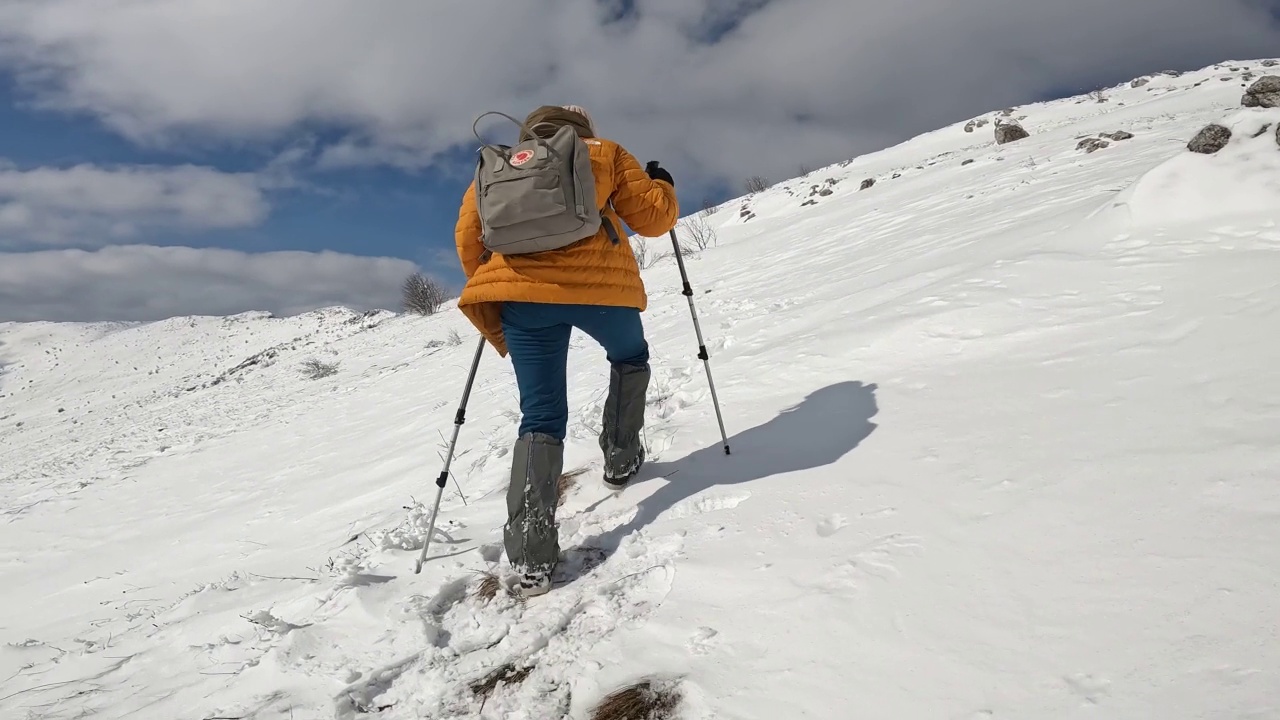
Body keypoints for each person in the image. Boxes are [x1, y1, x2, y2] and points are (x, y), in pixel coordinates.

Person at [453, 104, 679, 596]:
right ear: (584, 129)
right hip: (601, 294)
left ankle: (533, 558)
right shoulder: (606, 153)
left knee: (539, 415)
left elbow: (469, 238)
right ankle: (621, 458)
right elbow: (654, 219)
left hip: (522, 299)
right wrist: (663, 184)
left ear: (531, 129)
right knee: (629, 357)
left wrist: (495, 285)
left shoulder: (502, 164)